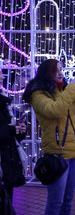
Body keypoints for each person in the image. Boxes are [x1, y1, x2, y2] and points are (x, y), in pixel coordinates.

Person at [22, 59, 75, 215]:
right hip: (57, 155)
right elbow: (55, 110)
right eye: (57, 70)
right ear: (47, 73)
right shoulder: (38, 93)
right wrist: (73, 87)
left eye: (62, 69)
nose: (61, 72)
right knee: (56, 202)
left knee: (68, 200)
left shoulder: (65, 90)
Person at [0, 65, 26, 202]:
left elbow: (11, 131)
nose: (3, 77)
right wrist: (11, 129)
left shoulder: (4, 100)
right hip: (3, 161)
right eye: (0, 73)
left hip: (8, 162)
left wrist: (19, 130)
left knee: (7, 204)